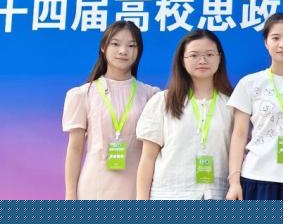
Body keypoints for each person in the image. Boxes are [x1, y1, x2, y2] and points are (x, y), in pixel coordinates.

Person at [62, 21, 160, 199]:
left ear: (138, 51)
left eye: (131, 46)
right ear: (103, 47)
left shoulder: (151, 95)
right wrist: (70, 195)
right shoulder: (83, 94)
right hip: (94, 186)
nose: (123, 51)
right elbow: (75, 148)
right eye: (115, 44)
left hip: (137, 187)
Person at [136, 29, 234, 199]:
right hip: (170, 195)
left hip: (218, 194)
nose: (202, 60)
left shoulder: (232, 104)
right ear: (182, 60)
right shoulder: (163, 101)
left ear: (219, 58)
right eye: (194, 55)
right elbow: (148, 158)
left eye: (209, 54)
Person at [226, 13, 283, 200]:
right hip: (257, 177)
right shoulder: (250, 83)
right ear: (266, 43)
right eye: (275, 38)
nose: (282, 44)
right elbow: (239, 135)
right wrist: (234, 182)